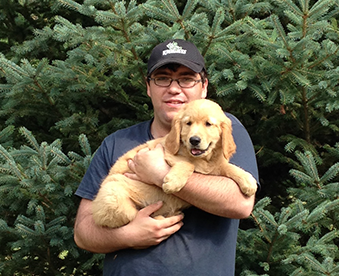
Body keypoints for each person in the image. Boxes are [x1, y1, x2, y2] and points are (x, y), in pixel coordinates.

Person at [74, 39, 259, 276]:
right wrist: (128, 235)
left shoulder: (223, 128)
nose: (173, 88)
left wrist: (160, 174)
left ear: (203, 86)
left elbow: (241, 203)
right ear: (149, 87)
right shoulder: (116, 143)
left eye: (186, 78)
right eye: (162, 78)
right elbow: (83, 233)